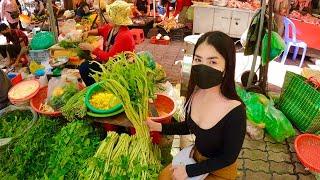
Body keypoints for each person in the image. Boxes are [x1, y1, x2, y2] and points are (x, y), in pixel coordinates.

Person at [147, 31, 246, 180]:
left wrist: (190, 171)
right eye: (198, 59)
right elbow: (189, 126)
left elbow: (228, 158)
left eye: (212, 62)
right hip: (195, 157)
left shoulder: (235, 111)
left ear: (227, 67)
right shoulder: (195, 94)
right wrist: (159, 127)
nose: (203, 67)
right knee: (163, 177)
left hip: (220, 169)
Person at [78, 0, 135, 86]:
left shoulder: (124, 35)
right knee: (85, 66)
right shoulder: (112, 27)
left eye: (110, 15)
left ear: (117, 18)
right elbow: (100, 31)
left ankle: (99, 88)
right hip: (108, 63)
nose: (107, 17)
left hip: (117, 69)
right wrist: (88, 33)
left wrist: (92, 48)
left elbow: (109, 58)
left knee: (85, 68)